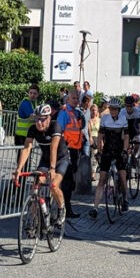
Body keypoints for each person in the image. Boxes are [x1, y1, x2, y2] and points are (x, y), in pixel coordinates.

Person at [14, 104, 69, 227]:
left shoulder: (55, 126)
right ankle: (33, 219)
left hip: (60, 159)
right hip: (45, 160)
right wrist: (18, 169)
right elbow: (27, 148)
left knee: (53, 185)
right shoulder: (33, 129)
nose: (39, 122)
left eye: (42, 119)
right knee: (35, 188)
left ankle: (61, 208)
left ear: (49, 118)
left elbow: (53, 147)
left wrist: (53, 169)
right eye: (36, 119)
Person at [89, 97, 129, 218]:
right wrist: (100, 150)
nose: (113, 111)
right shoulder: (105, 119)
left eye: (115, 109)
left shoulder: (123, 119)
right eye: (111, 109)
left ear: (118, 110)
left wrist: (125, 150)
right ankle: (95, 208)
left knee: (122, 175)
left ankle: (125, 199)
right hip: (107, 150)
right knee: (102, 179)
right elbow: (101, 135)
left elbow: (126, 136)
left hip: (119, 150)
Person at [56, 88, 85, 219]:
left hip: (75, 151)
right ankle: (65, 209)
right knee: (67, 182)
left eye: (77, 98)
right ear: (68, 99)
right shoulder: (65, 112)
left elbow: (81, 127)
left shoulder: (76, 113)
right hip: (66, 150)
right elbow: (59, 130)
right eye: (73, 98)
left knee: (70, 181)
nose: (76, 100)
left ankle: (65, 207)